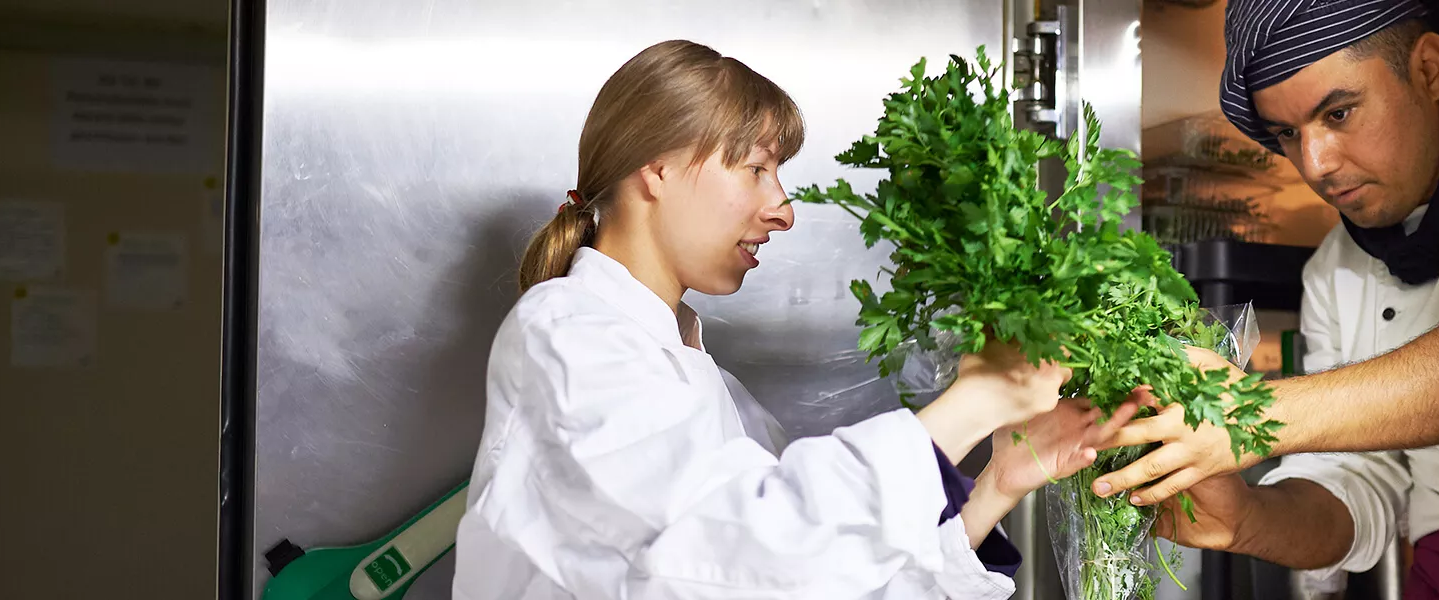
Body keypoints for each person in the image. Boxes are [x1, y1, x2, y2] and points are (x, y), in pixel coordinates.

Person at [453, 40, 1132, 600]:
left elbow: (819, 577)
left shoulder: (701, 380)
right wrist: (976, 401)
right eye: (756, 169)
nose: (783, 209)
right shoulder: (566, 335)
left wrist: (997, 485)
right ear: (656, 169)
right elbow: (740, 558)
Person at [1092, 1, 1439, 598]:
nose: (1315, 164)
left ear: (1430, 69)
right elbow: (1354, 485)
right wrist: (1245, 519)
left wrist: (1256, 414)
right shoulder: (1333, 268)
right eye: (1288, 134)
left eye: (1338, 112)